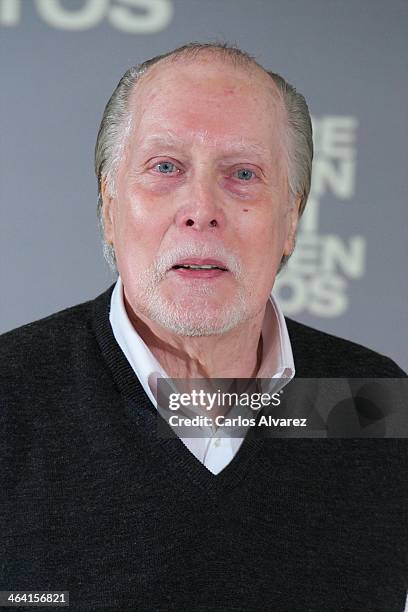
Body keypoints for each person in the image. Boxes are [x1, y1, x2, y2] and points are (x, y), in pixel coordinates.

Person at [0, 42, 406, 611]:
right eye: (165, 167)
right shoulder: (10, 393)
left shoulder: (374, 402)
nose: (201, 208)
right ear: (108, 203)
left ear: (291, 218)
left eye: (243, 173)